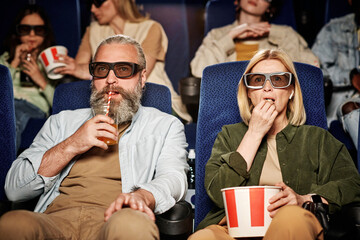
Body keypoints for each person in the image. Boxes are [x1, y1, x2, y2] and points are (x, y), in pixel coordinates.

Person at [0, 34, 189, 240]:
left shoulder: (165, 125)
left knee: (131, 225)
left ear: (142, 78)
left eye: (123, 69)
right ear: (93, 78)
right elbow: (14, 190)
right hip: (54, 220)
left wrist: (143, 196)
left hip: (115, 220)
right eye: (101, 70)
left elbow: (174, 178)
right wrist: (73, 143)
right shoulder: (61, 122)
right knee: (12, 224)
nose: (110, 79)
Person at [188, 49, 360, 240]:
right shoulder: (228, 135)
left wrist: (305, 199)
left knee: (291, 217)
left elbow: (352, 184)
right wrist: (254, 133)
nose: (267, 87)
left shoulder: (317, 138)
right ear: (249, 93)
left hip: (290, 224)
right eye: (258, 80)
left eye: (278, 79)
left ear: (291, 91)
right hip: (232, 229)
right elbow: (217, 193)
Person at [54, 0, 192, 123]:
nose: (92, 9)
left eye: (98, 2)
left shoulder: (151, 27)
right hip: (109, 101)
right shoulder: (92, 30)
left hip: (153, 99)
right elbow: (78, 66)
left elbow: (137, 72)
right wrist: (76, 68)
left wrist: (88, 71)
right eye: (90, 3)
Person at [190, 0, 319, 78]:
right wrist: (229, 38)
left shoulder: (284, 34)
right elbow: (199, 71)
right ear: (237, 0)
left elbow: (310, 71)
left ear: (270, 7)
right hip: (228, 104)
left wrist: (277, 34)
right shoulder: (217, 34)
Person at [0, 4, 56, 152]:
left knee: (12, 119)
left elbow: (58, 103)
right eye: (25, 29)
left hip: (32, 107)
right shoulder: (5, 60)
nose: (31, 35)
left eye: (38, 30)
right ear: (17, 32)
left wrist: (41, 80)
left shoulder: (51, 62)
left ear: (45, 34)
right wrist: (13, 64)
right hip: (6, 104)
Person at [312, 0, 360, 125]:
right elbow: (316, 71)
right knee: (350, 109)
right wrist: (350, 76)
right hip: (344, 102)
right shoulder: (333, 30)